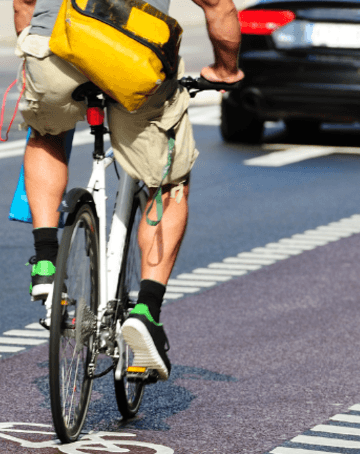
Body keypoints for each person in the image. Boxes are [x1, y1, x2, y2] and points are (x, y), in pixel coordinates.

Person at [13, 0, 243, 380]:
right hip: (132, 54)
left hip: (56, 43)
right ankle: (146, 312)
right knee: (169, 182)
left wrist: (33, 42)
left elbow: (24, 4)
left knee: (46, 132)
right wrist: (225, 69)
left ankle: (45, 260)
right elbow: (219, 7)